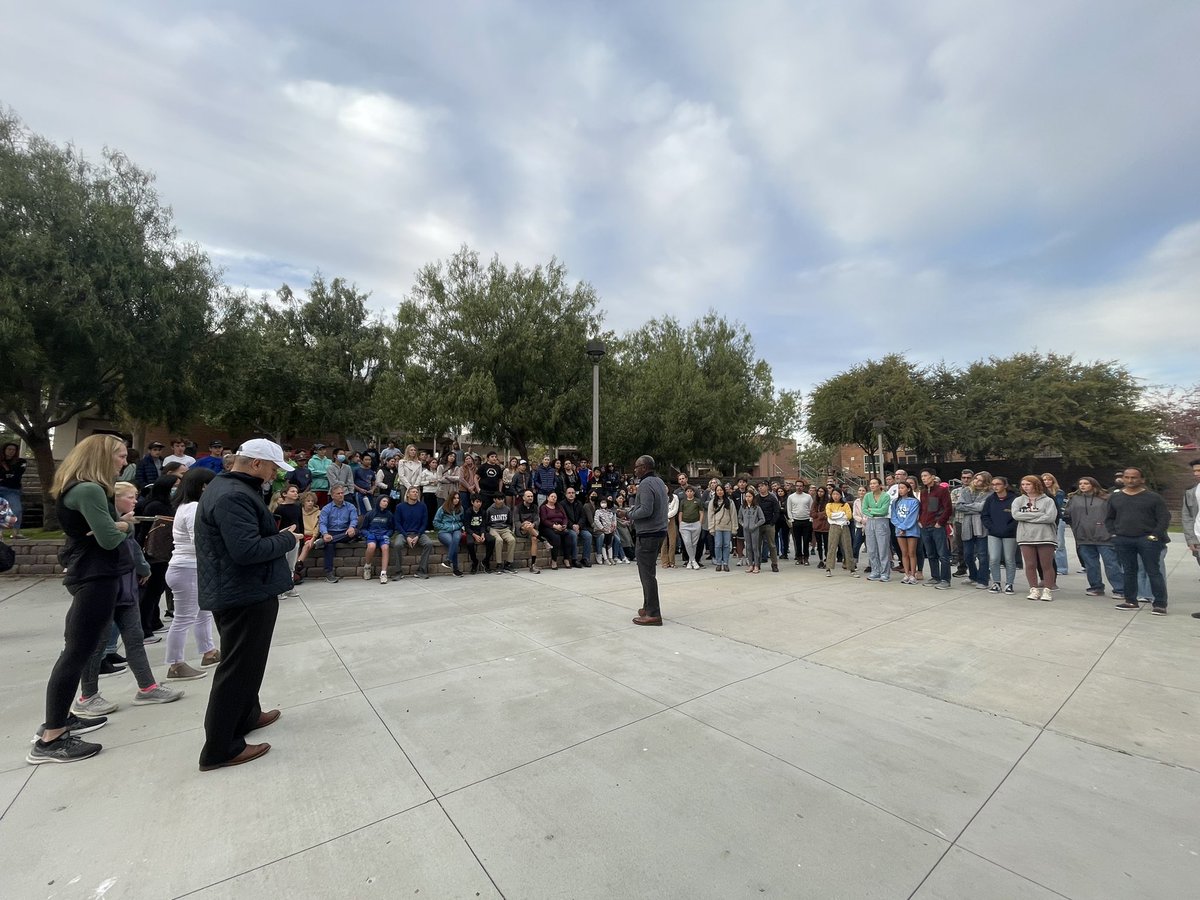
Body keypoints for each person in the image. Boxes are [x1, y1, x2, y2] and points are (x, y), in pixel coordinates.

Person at [28, 435, 134, 764]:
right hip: (95, 576)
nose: (124, 462)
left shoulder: (78, 487)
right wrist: (124, 525)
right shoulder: (89, 489)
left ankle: (60, 720)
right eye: (119, 455)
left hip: (90, 573)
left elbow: (100, 532)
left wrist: (111, 526)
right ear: (101, 456)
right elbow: (107, 538)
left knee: (79, 649)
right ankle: (52, 737)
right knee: (76, 652)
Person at [194, 439, 297, 771]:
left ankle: (247, 714)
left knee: (249, 663)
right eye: (272, 468)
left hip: (245, 591)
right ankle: (220, 747)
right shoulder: (234, 495)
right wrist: (287, 539)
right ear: (255, 464)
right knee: (237, 669)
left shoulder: (231, 488)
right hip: (242, 594)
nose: (274, 475)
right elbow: (246, 550)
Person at [73, 480, 185, 720]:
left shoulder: (127, 526)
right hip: (105, 588)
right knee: (97, 644)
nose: (135, 501)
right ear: (114, 501)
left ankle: (148, 687)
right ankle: (87, 696)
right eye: (129, 497)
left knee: (134, 639)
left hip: (126, 588)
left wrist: (142, 567)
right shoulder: (103, 525)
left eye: (136, 496)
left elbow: (133, 550)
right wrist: (123, 527)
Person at [164, 467, 221, 681]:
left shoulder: (185, 506)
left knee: (203, 612)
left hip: (188, 567)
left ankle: (209, 652)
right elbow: (200, 541)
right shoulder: (194, 508)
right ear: (204, 486)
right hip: (187, 567)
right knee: (183, 618)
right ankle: (175, 664)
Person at [1107, 466, 1171, 615]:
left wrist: (1155, 535)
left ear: (1142, 479)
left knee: (1153, 572)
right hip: (1123, 539)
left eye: (1134, 477)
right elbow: (1109, 517)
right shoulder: (1115, 497)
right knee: (1129, 571)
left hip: (1147, 540)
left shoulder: (1153, 497)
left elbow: (1164, 518)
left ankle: (1160, 604)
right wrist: (1114, 534)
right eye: (1127, 477)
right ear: (1123, 479)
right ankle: (1131, 601)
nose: (1130, 480)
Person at [627, 455, 668, 625]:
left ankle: (653, 613)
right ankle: (647, 606)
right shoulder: (659, 482)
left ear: (644, 467)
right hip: (659, 532)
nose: (635, 469)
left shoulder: (644, 484)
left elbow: (646, 510)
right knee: (649, 573)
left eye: (637, 467)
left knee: (647, 575)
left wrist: (628, 514)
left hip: (648, 534)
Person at [1066, 477, 1123, 599]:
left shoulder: (1106, 498)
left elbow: (1116, 515)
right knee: (1091, 565)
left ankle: (1120, 589)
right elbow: (1068, 514)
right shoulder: (1074, 499)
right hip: (1083, 536)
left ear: (1094, 484)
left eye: (1086, 483)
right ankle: (1096, 587)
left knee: (1111, 564)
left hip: (1104, 536)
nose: (1082, 486)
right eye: (1080, 483)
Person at [1012, 475, 1060, 601]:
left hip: (1045, 536)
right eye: (1023, 484)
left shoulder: (1048, 500)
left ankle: (1048, 590)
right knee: (1030, 564)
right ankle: (1033, 589)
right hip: (1025, 536)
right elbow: (1016, 515)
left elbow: (1050, 517)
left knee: (1046, 565)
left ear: (1035, 484)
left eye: (1028, 484)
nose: (1025, 487)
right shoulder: (1018, 501)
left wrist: (1027, 517)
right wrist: (1039, 515)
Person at [981, 476, 1018, 593]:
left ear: (1005, 485)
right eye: (993, 484)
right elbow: (985, 515)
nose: (995, 487)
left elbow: (1017, 517)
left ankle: (1009, 584)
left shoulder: (1014, 499)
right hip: (993, 533)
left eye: (998, 484)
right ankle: (996, 583)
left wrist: (1009, 528)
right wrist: (991, 527)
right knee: (994, 558)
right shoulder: (990, 499)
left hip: (1010, 534)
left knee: (1009, 559)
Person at [955, 472, 992, 590]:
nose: (976, 481)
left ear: (985, 482)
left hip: (981, 526)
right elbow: (959, 506)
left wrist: (969, 507)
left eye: (980, 480)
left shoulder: (989, 493)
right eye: (976, 479)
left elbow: (983, 507)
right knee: (967, 555)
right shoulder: (966, 491)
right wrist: (975, 507)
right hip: (967, 525)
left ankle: (983, 580)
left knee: (982, 554)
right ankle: (973, 575)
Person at [918, 469, 952, 589]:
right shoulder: (923, 492)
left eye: (926, 476)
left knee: (943, 554)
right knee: (931, 553)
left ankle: (945, 579)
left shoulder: (941, 490)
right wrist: (920, 521)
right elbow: (922, 508)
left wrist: (940, 522)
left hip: (937, 526)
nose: (923, 478)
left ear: (932, 477)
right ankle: (935, 576)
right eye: (922, 476)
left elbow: (948, 508)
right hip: (924, 526)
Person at [316, 484, 358, 584]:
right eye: (338, 493)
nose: (341, 495)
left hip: (346, 531)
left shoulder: (350, 506)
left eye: (342, 493)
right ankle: (329, 573)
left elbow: (354, 519)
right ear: (332, 496)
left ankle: (323, 541)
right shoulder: (326, 508)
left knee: (355, 532)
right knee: (329, 544)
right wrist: (325, 534)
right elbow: (322, 523)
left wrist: (352, 527)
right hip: (332, 532)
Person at [392, 487, 434, 579]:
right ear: (407, 494)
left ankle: (421, 570)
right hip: (404, 533)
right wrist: (406, 536)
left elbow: (424, 523)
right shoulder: (400, 507)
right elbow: (398, 524)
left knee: (429, 543)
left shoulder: (422, 506)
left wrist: (418, 536)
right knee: (397, 544)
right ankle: (398, 572)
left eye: (417, 492)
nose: (415, 493)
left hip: (418, 533)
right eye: (413, 492)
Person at [862, 477, 892, 582]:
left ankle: (885, 573)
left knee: (883, 548)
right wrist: (873, 511)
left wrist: (872, 510)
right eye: (871, 484)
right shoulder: (867, 496)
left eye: (874, 483)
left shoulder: (886, 496)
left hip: (882, 522)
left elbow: (884, 511)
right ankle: (875, 571)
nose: (872, 485)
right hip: (870, 522)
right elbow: (864, 509)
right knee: (871, 548)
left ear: (880, 485)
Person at [360, 494, 394, 584]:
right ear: (379, 501)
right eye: (384, 501)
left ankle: (383, 573)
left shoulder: (389, 514)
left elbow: (391, 529)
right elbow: (363, 528)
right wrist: (368, 535)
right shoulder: (370, 514)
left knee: (385, 548)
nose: (386, 503)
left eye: (387, 502)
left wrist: (388, 535)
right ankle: (367, 567)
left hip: (383, 535)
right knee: (371, 546)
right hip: (372, 535)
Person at [889, 482, 920, 584]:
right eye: (899, 488)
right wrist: (900, 527)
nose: (900, 490)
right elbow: (893, 516)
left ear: (908, 489)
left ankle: (913, 574)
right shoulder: (895, 502)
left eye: (902, 488)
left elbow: (913, 516)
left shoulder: (914, 502)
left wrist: (904, 527)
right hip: (899, 530)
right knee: (904, 553)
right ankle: (906, 574)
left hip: (911, 530)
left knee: (912, 553)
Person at [1040, 473, 1069, 575]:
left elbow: (1057, 506)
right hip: (1044, 520)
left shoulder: (1059, 492)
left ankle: (1062, 568)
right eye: (1044, 480)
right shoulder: (1040, 492)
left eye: (1049, 480)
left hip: (1058, 519)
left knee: (1060, 544)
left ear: (1053, 481)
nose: (1046, 482)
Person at [538, 491, 575, 569]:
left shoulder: (559, 506)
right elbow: (544, 520)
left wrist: (564, 525)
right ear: (547, 498)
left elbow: (565, 517)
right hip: (547, 528)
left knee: (569, 535)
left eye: (555, 497)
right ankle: (554, 560)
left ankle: (566, 559)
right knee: (556, 538)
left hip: (560, 527)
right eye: (552, 496)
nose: (554, 498)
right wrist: (554, 526)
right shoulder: (543, 507)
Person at [825, 488, 857, 577]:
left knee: (847, 546)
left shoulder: (845, 504)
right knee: (832, 547)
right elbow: (829, 515)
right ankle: (828, 568)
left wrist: (838, 515)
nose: (835, 496)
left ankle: (851, 568)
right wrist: (841, 514)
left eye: (837, 494)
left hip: (844, 526)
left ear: (841, 495)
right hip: (834, 527)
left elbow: (849, 516)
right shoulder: (829, 504)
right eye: (834, 494)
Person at [434, 492, 465, 576]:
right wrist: (445, 527)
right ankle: (455, 569)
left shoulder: (460, 508)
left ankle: (448, 560)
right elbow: (435, 522)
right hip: (444, 531)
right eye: (454, 498)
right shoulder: (443, 508)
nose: (456, 500)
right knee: (452, 542)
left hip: (457, 530)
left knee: (456, 539)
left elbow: (463, 521)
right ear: (450, 499)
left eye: (458, 498)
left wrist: (458, 526)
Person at [1, 441, 27, 539]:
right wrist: (7, 475)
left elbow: (17, 475)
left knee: (17, 510)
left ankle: (16, 533)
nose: (11, 451)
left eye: (13, 450)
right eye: (9, 449)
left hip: (12, 490)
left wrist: (6, 475)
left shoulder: (21, 462)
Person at [464, 494, 495, 574]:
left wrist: (482, 535)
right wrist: (474, 535)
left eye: (480, 502)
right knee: (470, 543)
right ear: (472, 502)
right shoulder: (468, 512)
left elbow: (483, 525)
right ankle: (475, 562)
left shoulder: (483, 512)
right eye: (477, 502)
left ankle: (486, 561)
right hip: (471, 532)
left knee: (491, 540)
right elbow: (467, 527)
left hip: (480, 531)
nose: (479, 504)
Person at [486, 493, 517, 573]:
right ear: (494, 500)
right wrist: (489, 529)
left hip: (504, 528)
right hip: (494, 529)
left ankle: (508, 563)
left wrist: (508, 529)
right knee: (499, 540)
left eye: (502, 499)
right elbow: (487, 523)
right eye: (499, 499)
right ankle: (499, 564)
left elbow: (509, 522)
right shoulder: (489, 510)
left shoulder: (507, 509)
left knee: (512, 540)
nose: (501, 501)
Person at [708, 484, 735, 572]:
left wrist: (734, 528)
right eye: (718, 490)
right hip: (717, 527)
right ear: (715, 492)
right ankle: (719, 563)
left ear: (724, 491)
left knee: (727, 545)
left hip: (727, 526)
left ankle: (726, 563)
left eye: (721, 490)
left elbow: (733, 515)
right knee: (718, 545)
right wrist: (711, 528)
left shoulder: (730, 502)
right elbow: (710, 516)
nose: (720, 492)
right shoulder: (712, 502)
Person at [755, 481, 781, 572]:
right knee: (757, 545)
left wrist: (773, 522)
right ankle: (757, 564)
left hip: (769, 524)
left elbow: (777, 511)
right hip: (758, 525)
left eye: (762, 486)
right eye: (759, 486)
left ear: (767, 487)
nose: (760, 488)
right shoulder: (756, 498)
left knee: (772, 545)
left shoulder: (772, 498)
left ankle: (774, 564)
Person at [515, 489, 542, 573]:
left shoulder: (535, 507)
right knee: (526, 525)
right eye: (528, 496)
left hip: (532, 529)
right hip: (521, 530)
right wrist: (523, 525)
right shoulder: (517, 508)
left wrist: (532, 525)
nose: (530, 498)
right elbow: (516, 522)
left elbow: (537, 520)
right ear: (523, 498)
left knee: (534, 539)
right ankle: (543, 540)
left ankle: (533, 565)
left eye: (531, 496)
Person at [678, 485, 704, 570]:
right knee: (687, 542)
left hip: (695, 524)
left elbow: (701, 512)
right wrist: (680, 523)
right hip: (685, 525)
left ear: (694, 492)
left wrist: (700, 523)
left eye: (691, 491)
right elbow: (680, 513)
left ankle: (690, 561)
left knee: (694, 543)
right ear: (685, 493)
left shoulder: (698, 501)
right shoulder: (683, 501)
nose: (689, 493)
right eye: (688, 491)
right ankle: (693, 561)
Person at [811, 486, 830, 569]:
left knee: (826, 544)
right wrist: (820, 515)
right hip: (817, 526)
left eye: (822, 491)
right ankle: (821, 560)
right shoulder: (815, 502)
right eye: (818, 491)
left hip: (825, 526)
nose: (820, 493)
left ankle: (827, 560)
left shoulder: (828, 502)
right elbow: (812, 513)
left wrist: (819, 515)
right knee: (819, 544)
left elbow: (827, 512)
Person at [659, 489, 679, 568]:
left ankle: (672, 561)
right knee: (663, 542)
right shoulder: (659, 497)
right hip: (661, 520)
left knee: (672, 542)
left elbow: (675, 509)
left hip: (671, 519)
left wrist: (667, 516)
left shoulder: (675, 497)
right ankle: (664, 561)